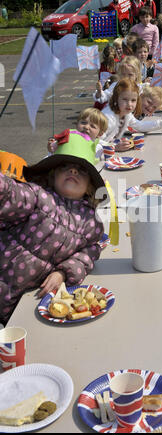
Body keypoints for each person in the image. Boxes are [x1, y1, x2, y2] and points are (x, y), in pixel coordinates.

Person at [0, 130, 108, 325]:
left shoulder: (91, 223)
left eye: (81, 170)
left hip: (26, 304)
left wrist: (64, 272)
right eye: (65, 167)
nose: (73, 171)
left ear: (90, 186)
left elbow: (89, 253)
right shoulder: (36, 196)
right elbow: (11, 194)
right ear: (53, 175)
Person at [96, 78, 162, 154]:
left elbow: (140, 125)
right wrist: (114, 146)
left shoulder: (126, 114)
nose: (129, 104)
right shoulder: (109, 117)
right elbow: (93, 141)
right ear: (116, 98)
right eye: (125, 99)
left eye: (133, 100)